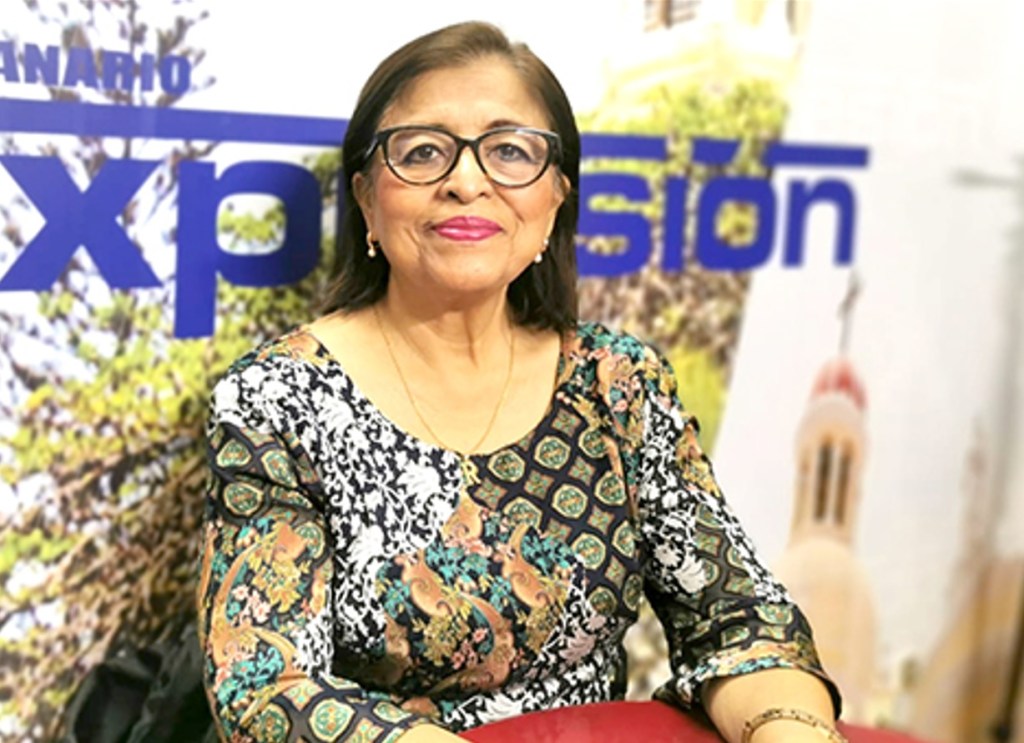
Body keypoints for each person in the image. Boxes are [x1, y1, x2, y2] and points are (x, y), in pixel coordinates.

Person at [197, 20, 844, 743]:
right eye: (422, 152)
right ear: (367, 199)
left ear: (556, 198)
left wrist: (789, 729)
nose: (467, 182)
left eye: (509, 151)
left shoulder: (618, 384)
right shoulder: (277, 401)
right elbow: (267, 687)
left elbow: (744, 624)